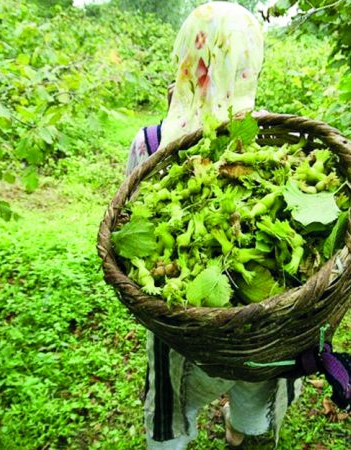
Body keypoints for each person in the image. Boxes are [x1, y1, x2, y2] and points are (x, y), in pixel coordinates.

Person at [123, 3, 303, 448]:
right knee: (252, 421)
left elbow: (126, 236)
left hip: (182, 334)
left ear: (185, 56)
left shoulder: (149, 144)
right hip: (262, 336)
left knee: (170, 419)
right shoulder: (271, 141)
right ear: (250, 64)